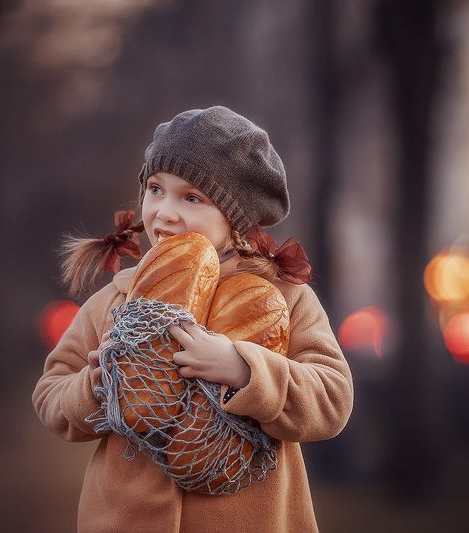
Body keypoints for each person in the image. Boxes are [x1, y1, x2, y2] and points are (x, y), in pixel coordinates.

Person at [32, 105, 354, 532]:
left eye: (191, 198)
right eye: (155, 189)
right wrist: (94, 386)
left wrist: (245, 371)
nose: (164, 211)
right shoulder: (117, 298)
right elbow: (50, 392)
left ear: (236, 218)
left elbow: (332, 398)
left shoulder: (283, 297)